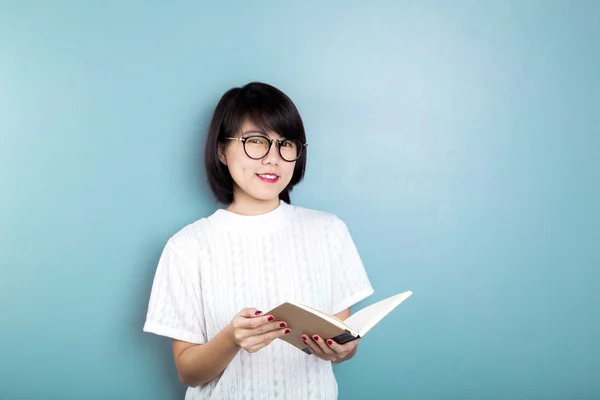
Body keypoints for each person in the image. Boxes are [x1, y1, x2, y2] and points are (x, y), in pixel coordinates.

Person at [143, 82, 374, 399]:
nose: (273, 159)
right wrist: (231, 339)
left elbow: (344, 342)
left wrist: (342, 350)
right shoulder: (187, 246)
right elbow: (188, 372)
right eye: (256, 141)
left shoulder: (329, 231)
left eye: (286, 144)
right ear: (222, 150)